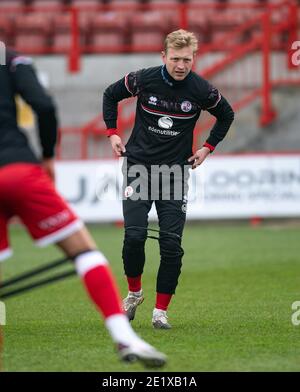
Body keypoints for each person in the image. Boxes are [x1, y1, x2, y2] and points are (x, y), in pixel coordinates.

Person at [0, 48, 166, 368]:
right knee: (86, 253)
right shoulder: (11, 58)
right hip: (19, 168)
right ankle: (125, 336)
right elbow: (44, 106)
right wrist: (48, 155)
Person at [103, 29, 234, 329]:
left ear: (193, 59)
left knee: (171, 245)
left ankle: (161, 312)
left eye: (187, 60)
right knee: (134, 237)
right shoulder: (143, 79)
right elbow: (111, 95)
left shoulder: (202, 90)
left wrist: (207, 148)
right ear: (163, 56)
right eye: (175, 58)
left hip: (175, 174)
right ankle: (134, 294)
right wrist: (112, 133)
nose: (180, 65)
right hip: (138, 168)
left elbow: (226, 115)